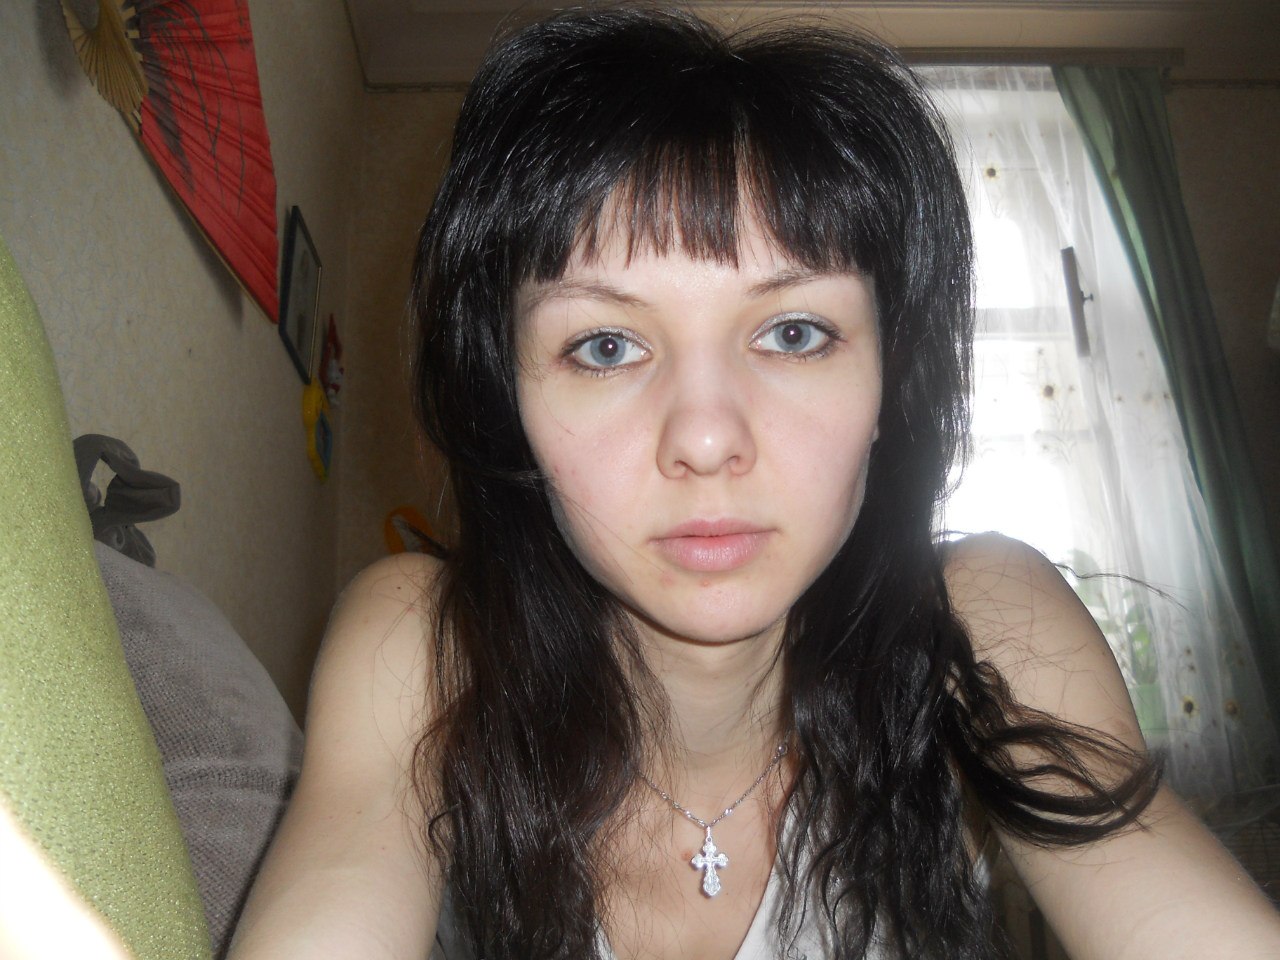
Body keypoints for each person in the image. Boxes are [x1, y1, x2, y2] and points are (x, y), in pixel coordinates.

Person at [228, 7, 1280, 959]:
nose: (704, 439)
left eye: (793, 332)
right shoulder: (426, 642)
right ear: (508, 400)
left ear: (889, 381)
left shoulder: (982, 620)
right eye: (604, 345)